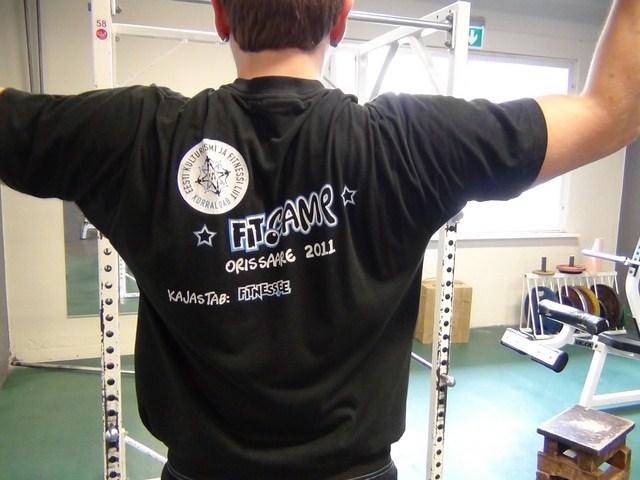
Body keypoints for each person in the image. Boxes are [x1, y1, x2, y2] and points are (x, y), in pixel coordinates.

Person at [1, 0, 638, 478]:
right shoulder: (410, 143)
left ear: (220, 15)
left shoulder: (137, 135)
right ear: (341, 18)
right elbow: (612, 112)